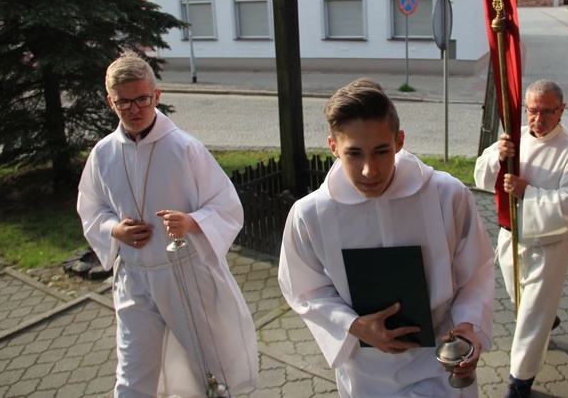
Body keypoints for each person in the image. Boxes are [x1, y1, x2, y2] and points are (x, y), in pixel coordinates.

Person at [278, 78, 494, 397]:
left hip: (438, 359)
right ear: (333, 147)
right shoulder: (311, 214)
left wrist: (467, 324)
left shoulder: (447, 195)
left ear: (400, 141)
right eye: (354, 154)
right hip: (365, 370)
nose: (369, 171)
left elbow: (475, 270)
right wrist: (352, 325)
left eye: (381, 151)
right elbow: (305, 288)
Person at [77, 52, 258, 397]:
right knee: (133, 368)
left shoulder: (184, 149)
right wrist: (113, 230)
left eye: (142, 99)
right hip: (134, 276)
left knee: (207, 362)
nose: (134, 109)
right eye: (123, 102)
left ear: (157, 96)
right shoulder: (103, 154)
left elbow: (227, 206)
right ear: (110, 102)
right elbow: (92, 207)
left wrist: (191, 221)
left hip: (184, 274)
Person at [474, 80, 568, 398]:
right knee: (520, 300)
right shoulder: (514, 138)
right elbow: (482, 177)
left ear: (562, 110)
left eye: (547, 111)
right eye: (532, 110)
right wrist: (498, 158)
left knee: (528, 317)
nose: (538, 119)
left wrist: (529, 192)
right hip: (510, 237)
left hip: (547, 247)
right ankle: (549, 319)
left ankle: (520, 381)